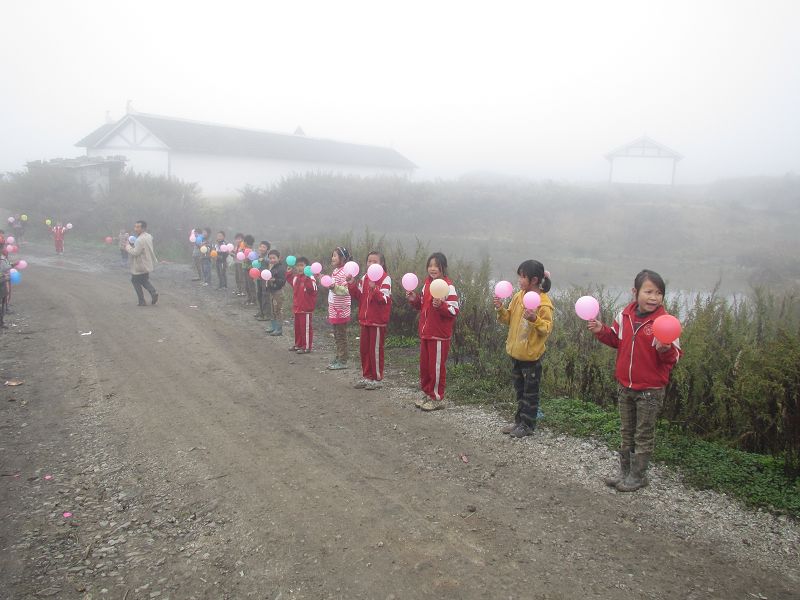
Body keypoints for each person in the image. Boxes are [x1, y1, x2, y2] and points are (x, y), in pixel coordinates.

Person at [588, 269, 682, 492]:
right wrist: (601, 331)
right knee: (626, 431)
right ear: (635, 292)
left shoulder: (666, 323)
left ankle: (638, 476)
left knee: (643, 434)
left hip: (650, 389)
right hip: (625, 385)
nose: (654, 297)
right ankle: (625, 473)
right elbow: (616, 340)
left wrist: (665, 349)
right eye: (648, 292)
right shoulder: (624, 315)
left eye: (658, 293)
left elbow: (675, 357)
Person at [494, 260, 554, 438]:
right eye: (519, 276)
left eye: (522, 277)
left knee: (530, 393)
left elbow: (546, 329)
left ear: (534, 280)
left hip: (531, 357)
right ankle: (519, 422)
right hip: (516, 354)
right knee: (520, 390)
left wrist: (535, 319)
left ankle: (527, 425)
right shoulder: (518, 297)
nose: (519, 280)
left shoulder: (544, 304)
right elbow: (508, 319)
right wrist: (500, 309)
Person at [406, 252, 459, 411]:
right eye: (430, 265)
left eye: (436, 265)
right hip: (426, 333)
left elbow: (454, 311)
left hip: (439, 335)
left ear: (443, 267)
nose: (432, 268)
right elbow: (422, 305)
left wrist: (441, 306)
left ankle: (436, 397)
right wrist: (414, 299)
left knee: (436, 367)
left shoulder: (448, 287)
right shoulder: (427, 285)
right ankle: (427, 393)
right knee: (425, 367)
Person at [348, 251, 392, 390]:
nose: (371, 264)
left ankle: (377, 378)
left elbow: (384, 299)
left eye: (375, 261)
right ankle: (367, 376)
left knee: (375, 350)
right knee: (364, 350)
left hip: (377, 321)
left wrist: (375, 289)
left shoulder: (385, 278)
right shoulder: (364, 277)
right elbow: (358, 295)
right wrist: (351, 284)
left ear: (382, 264)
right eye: (369, 261)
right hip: (365, 320)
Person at [324, 246, 353, 370]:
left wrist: (332, 286)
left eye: (335, 255)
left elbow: (346, 290)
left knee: (341, 336)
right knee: (336, 335)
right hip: (334, 309)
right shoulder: (335, 271)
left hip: (341, 310)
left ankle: (343, 360)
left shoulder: (345, 272)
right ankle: (339, 356)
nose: (332, 257)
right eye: (332, 255)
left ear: (343, 258)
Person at [286, 256, 318, 353]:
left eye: (302, 265)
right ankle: (298, 344)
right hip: (297, 307)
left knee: (306, 328)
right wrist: (289, 273)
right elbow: (291, 281)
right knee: (298, 328)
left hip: (306, 308)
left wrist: (307, 277)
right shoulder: (296, 277)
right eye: (298, 266)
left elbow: (313, 290)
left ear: (307, 267)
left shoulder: (311, 278)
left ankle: (306, 347)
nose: (299, 268)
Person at [125, 220, 159, 307]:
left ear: (143, 228)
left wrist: (128, 246)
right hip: (147, 263)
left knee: (135, 281)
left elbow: (135, 252)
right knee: (144, 280)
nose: (135, 229)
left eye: (138, 227)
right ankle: (153, 292)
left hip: (139, 264)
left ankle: (142, 301)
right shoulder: (149, 236)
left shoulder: (140, 240)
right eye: (135, 227)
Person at [265, 249, 286, 336]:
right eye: (270, 258)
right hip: (272, 291)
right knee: (273, 310)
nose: (272, 260)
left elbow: (283, 281)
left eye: (274, 258)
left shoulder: (281, 268)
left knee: (278, 310)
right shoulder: (271, 267)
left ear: (279, 258)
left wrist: (274, 280)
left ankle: (279, 329)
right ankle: (273, 327)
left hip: (278, 292)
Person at [254, 241, 272, 321]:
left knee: (265, 295)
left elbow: (270, 262)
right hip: (259, 278)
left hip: (265, 279)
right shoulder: (258, 256)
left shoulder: (268, 257)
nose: (261, 248)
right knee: (259, 294)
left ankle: (267, 314)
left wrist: (263, 259)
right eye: (261, 246)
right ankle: (261, 311)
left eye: (264, 247)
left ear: (267, 249)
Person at [242, 235, 257, 305]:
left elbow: (251, 260)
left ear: (246, 242)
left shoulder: (250, 251)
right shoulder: (247, 250)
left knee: (250, 284)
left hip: (249, 269)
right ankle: (249, 298)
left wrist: (246, 259)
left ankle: (253, 299)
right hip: (246, 269)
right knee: (247, 284)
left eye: (244, 242)